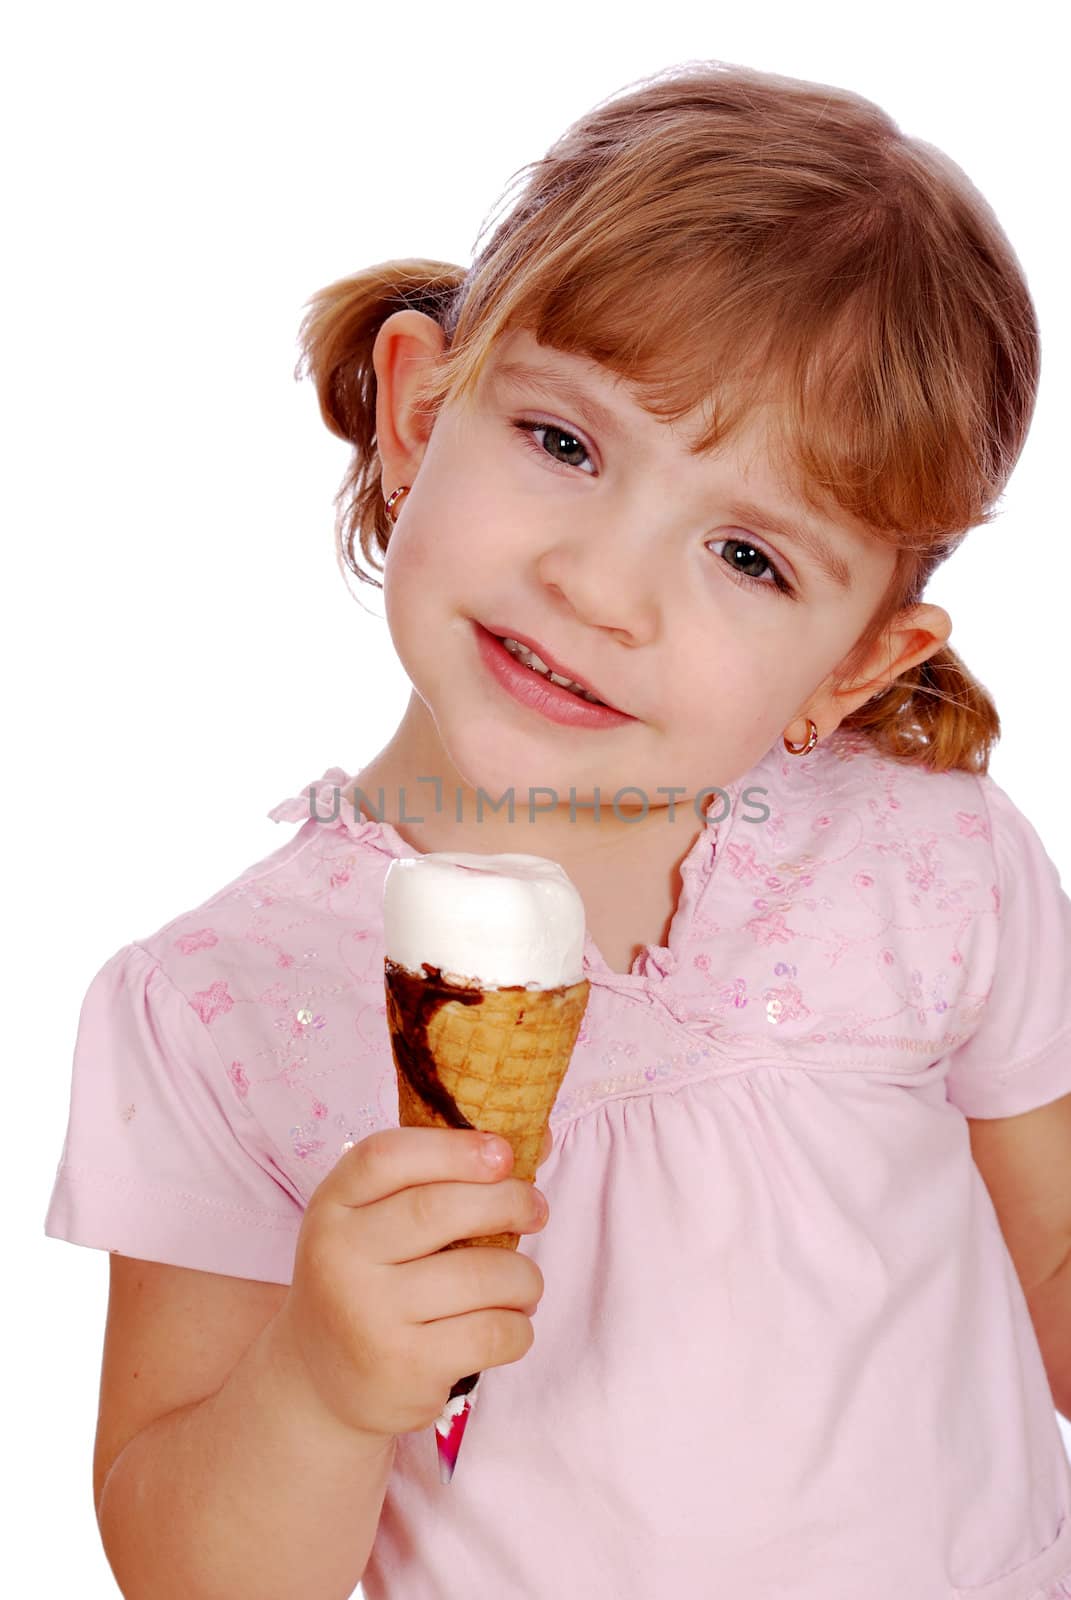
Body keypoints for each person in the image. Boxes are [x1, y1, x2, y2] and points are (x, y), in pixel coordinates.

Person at [43, 56, 1071, 1600]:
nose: (602, 586)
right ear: (417, 410)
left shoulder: (928, 860)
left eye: (746, 554)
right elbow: (188, 1568)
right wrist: (320, 1386)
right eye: (566, 445)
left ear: (854, 667)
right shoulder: (221, 1008)